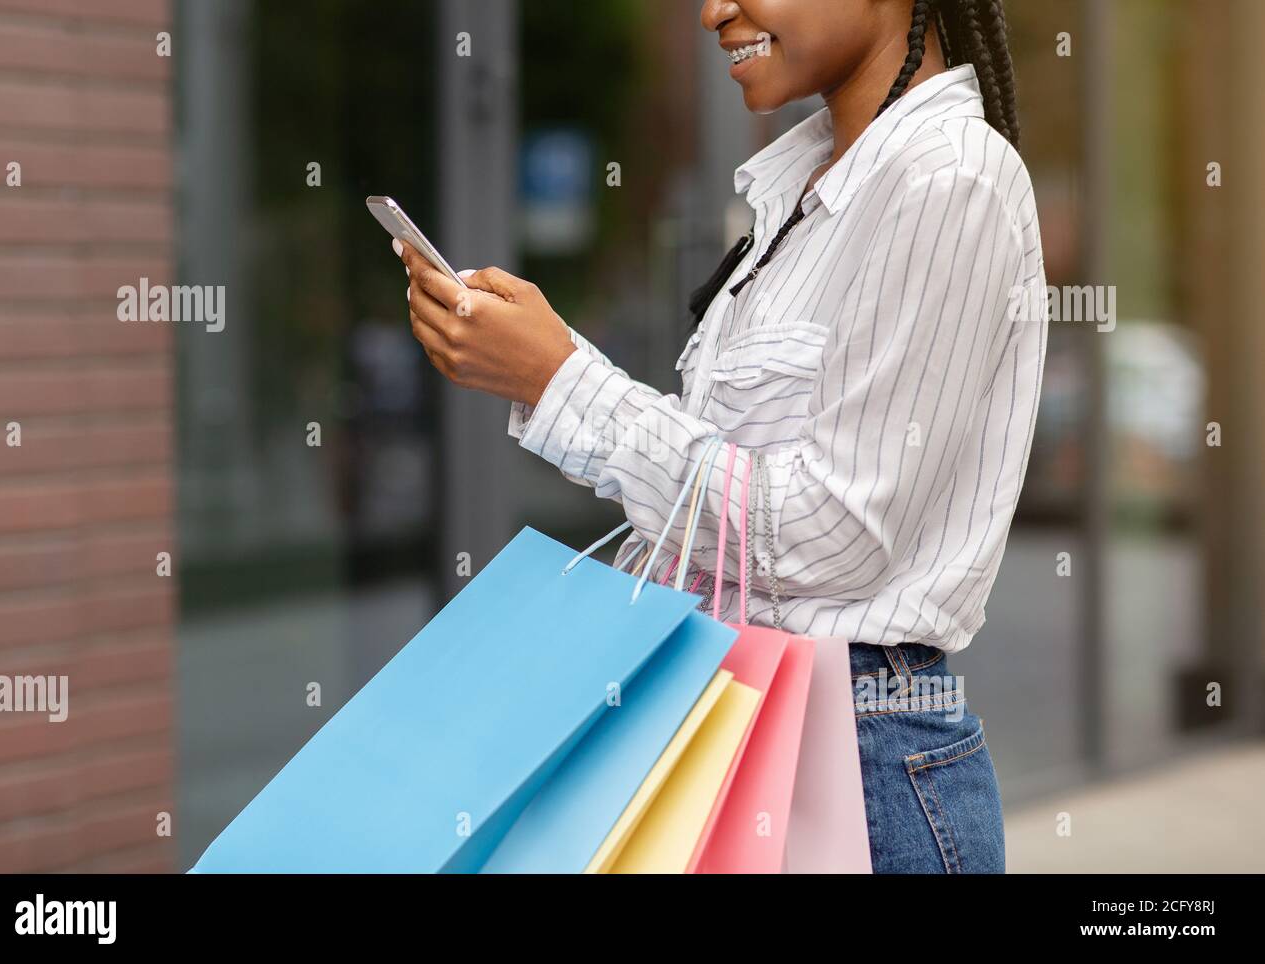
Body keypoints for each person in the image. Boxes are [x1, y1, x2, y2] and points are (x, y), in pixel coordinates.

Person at [398, 0, 1045, 874]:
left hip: (854, 773)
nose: (713, 11)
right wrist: (543, 359)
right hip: (742, 723)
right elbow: (727, 480)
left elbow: (834, 533)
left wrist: (557, 380)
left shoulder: (947, 176)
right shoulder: (810, 188)